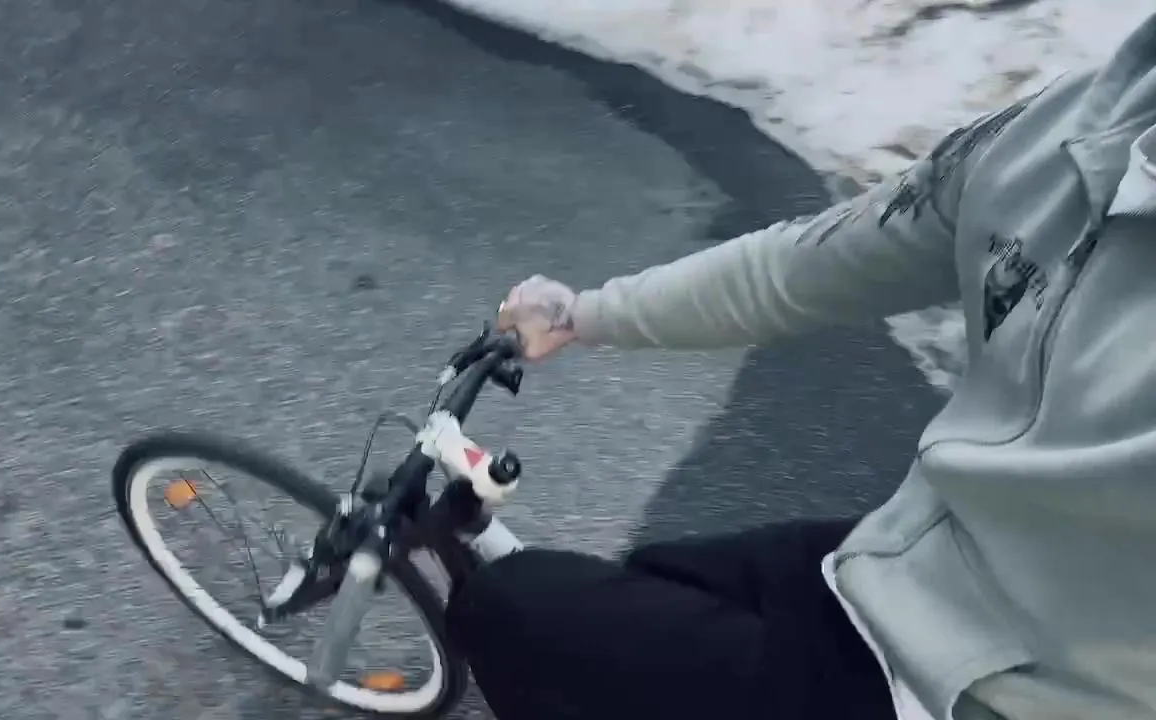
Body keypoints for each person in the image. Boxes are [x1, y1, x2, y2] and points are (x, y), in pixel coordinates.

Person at [443, 13, 1156, 720]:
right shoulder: (1075, 123)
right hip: (915, 555)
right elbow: (811, 264)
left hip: (1011, 696)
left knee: (513, 612)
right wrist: (584, 315)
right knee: (654, 582)